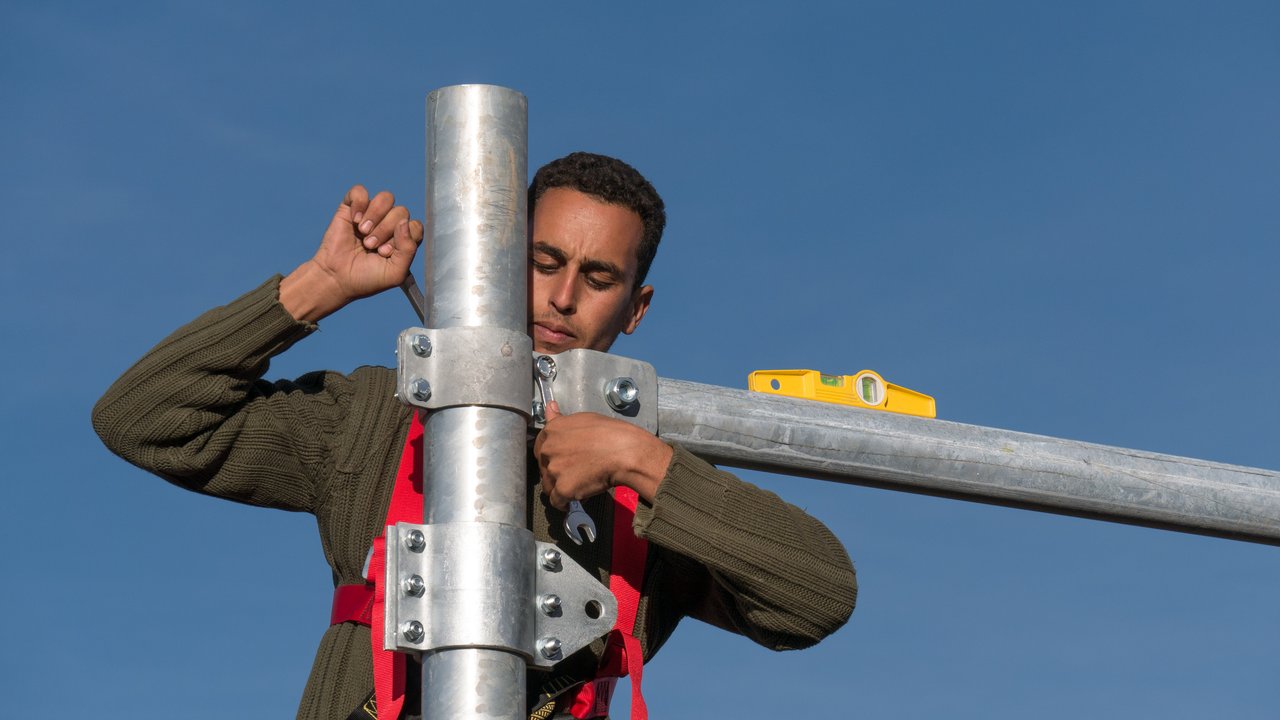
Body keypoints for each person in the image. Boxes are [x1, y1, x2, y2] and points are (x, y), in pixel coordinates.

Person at [93, 152, 857, 719]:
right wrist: (321, 284)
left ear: (636, 307)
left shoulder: (649, 481)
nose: (560, 299)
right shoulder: (376, 417)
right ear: (499, 263)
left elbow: (818, 595)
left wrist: (641, 460)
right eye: (542, 262)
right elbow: (145, 419)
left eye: (596, 279)